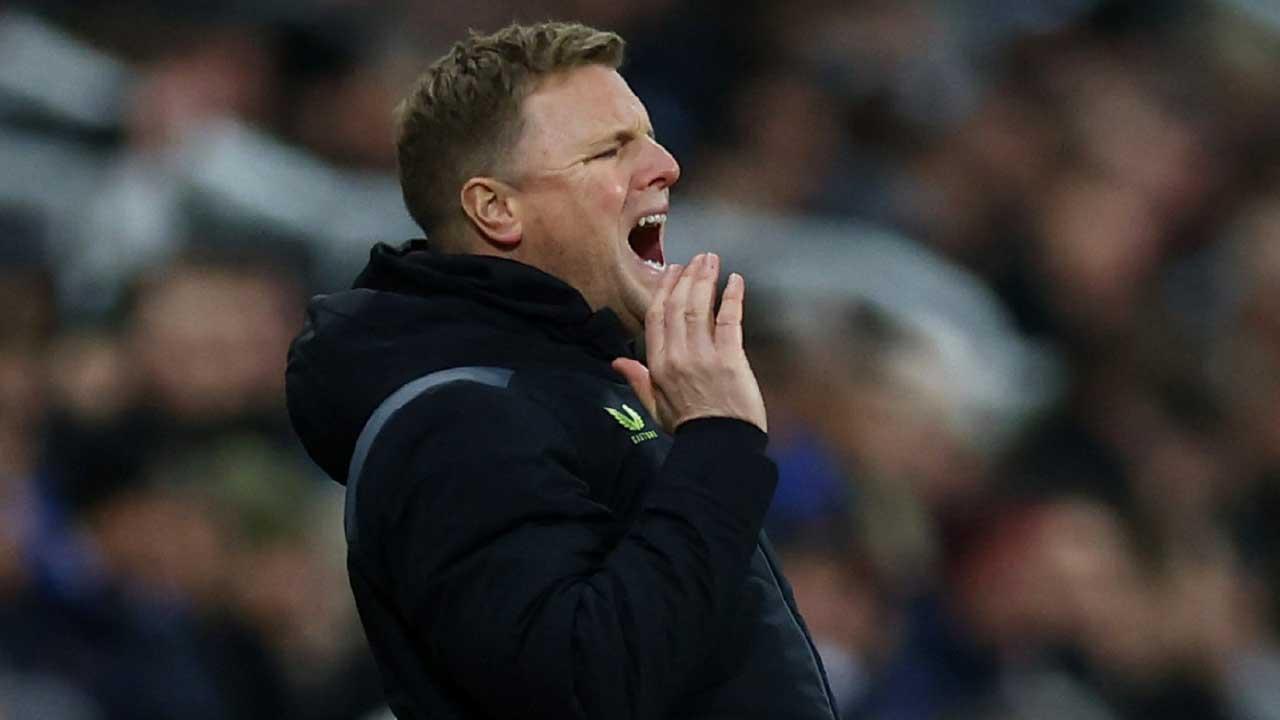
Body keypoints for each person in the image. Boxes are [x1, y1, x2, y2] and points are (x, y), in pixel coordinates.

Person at [285, 21, 838, 719]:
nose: (666, 165)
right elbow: (581, 683)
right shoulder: (455, 421)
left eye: (650, 136)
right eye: (610, 150)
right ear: (495, 208)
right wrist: (718, 446)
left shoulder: (574, 390)